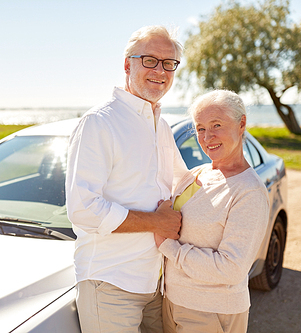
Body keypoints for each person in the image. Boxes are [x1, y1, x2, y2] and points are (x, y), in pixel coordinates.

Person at [65, 25, 188, 332]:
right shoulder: (100, 122)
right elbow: (83, 209)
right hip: (111, 284)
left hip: (156, 283)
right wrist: (157, 222)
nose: (160, 70)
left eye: (168, 63)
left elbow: (183, 183)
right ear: (127, 65)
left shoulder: (161, 126)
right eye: (149, 60)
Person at [155, 90, 270, 333]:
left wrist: (168, 246)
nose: (208, 137)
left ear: (241, 124)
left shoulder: (249, 192)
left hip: (212, 313)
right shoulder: (196, 174)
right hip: (173, 302)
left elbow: (231, 268)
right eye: (200, 128)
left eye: (216, 125)